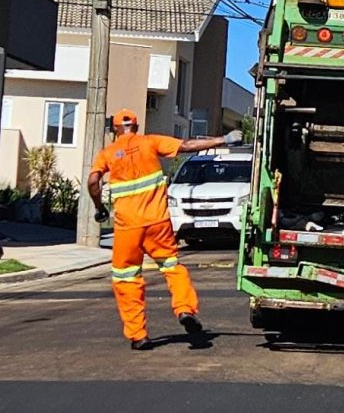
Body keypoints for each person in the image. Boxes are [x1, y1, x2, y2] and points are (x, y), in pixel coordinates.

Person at [88, 108, 243, 350]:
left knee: (126, 278)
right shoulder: (150, 142)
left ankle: (139, 336)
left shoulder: (107, 153)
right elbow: (187, 146)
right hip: (157, 223)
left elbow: (93, 181)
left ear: (115, 130)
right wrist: (224, 139)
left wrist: (99, 207)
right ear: (137, 127)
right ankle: (184, 309)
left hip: (127, 227)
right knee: (172, 267)